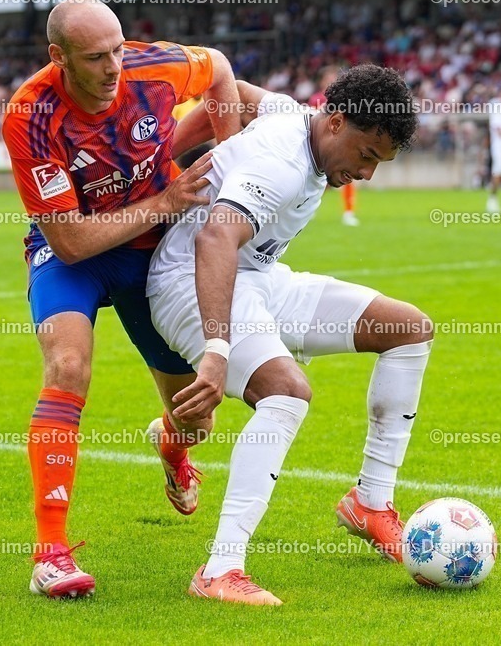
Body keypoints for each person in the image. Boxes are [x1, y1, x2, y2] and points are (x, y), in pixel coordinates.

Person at [148, 65, 432, 605]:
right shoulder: (280, 163)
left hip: (256, 275)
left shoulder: (291, 114)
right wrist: (216, 350)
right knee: (287, 392)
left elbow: (224, 90)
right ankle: (220, 571)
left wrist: (176, 151)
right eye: (367, 156)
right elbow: (215, 238)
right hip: (191, 279)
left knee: (408, 328)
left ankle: (370, 503)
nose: (367, 174)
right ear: (336, 122)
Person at [1, 0, 240, 599]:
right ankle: (50, 553)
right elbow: (73, 241)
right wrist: (164, 201)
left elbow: (218, 69)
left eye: (118, 48)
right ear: (58, 58)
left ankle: (171, 441)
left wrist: (234, 168)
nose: (114, 66)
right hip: (73, 253)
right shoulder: (30, 114)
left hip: (149, 255)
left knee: (198, 418)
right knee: (68, 365)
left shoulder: (153, 65)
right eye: (95, 57)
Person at [309, 67, 360, 226]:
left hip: (342, 147)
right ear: (323, 81)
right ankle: (309, 208)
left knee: (348, 179)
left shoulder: (343, 100)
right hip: (322, 148)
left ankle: (348, 212)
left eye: (333, 78)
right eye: (328, 79)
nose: (330, 82)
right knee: (318, 181)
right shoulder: (316, 99)